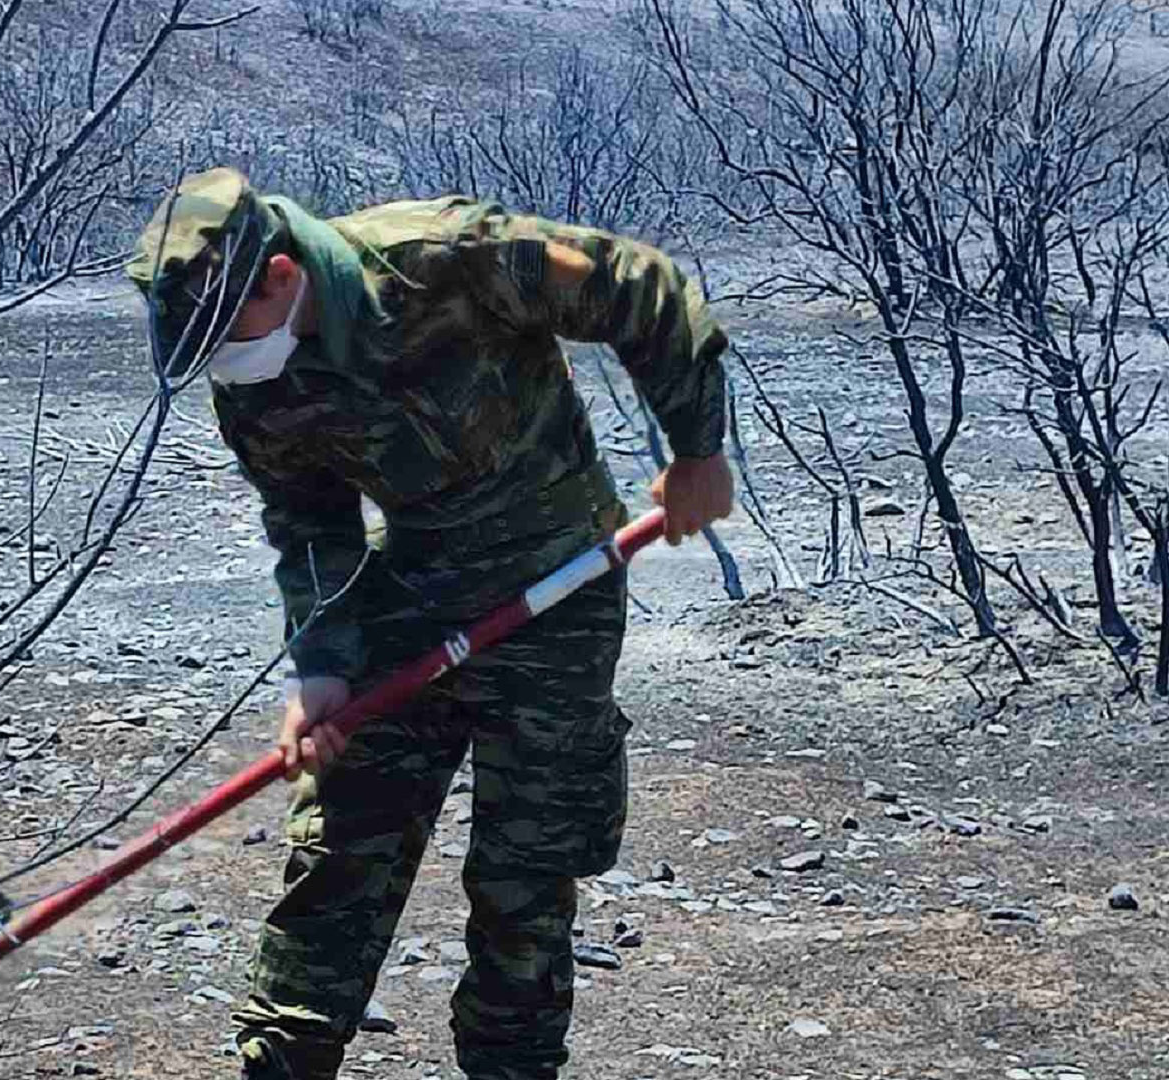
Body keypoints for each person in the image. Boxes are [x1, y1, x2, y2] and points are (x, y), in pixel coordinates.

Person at [125, 165, 734, 1080]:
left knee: (523, 871)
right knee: (338, 846)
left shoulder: (442, 259)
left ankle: (510, 1066)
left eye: (226, 336)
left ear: (283, 280)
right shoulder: (248, 376)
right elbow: (308, 521)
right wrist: (322, 667)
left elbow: (637, 286)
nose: (222, 365)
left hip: (557, 587)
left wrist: (695, 451)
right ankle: (281, 1063)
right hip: (409, 595)